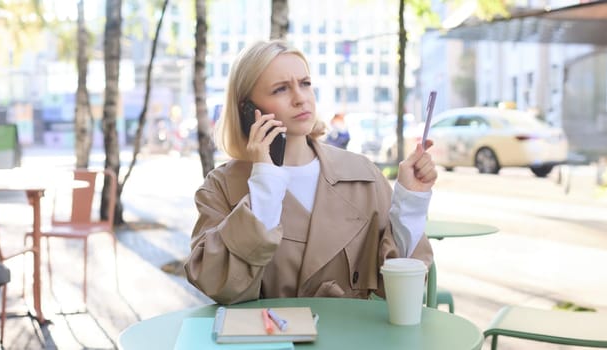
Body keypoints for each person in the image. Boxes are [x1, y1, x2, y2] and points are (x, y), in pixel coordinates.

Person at [185, 40, 437, 305]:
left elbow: (400, 284)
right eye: (281, 89)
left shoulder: (362, 174)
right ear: (247, 109)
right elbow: (216, 284)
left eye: (305, 83)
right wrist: (265, 183)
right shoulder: (221, 187)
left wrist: (410, 201)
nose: (300, 98)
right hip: (269, 340)